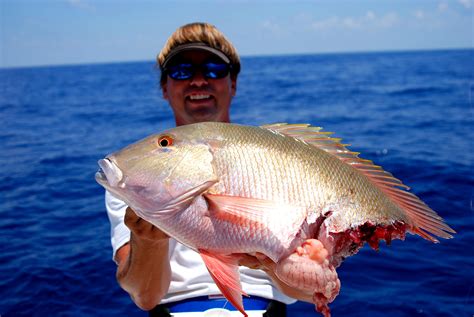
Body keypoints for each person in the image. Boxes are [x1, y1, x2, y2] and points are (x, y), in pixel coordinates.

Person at [105, 22, 309, 317]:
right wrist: (148, 240)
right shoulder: (136, 172)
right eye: (182, 71)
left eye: (214, 69)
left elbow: (303, 291)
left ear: (233, 83)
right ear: (165, 87)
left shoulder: (276, 164)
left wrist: (266, 260)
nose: (198, 81)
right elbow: (146, 296)